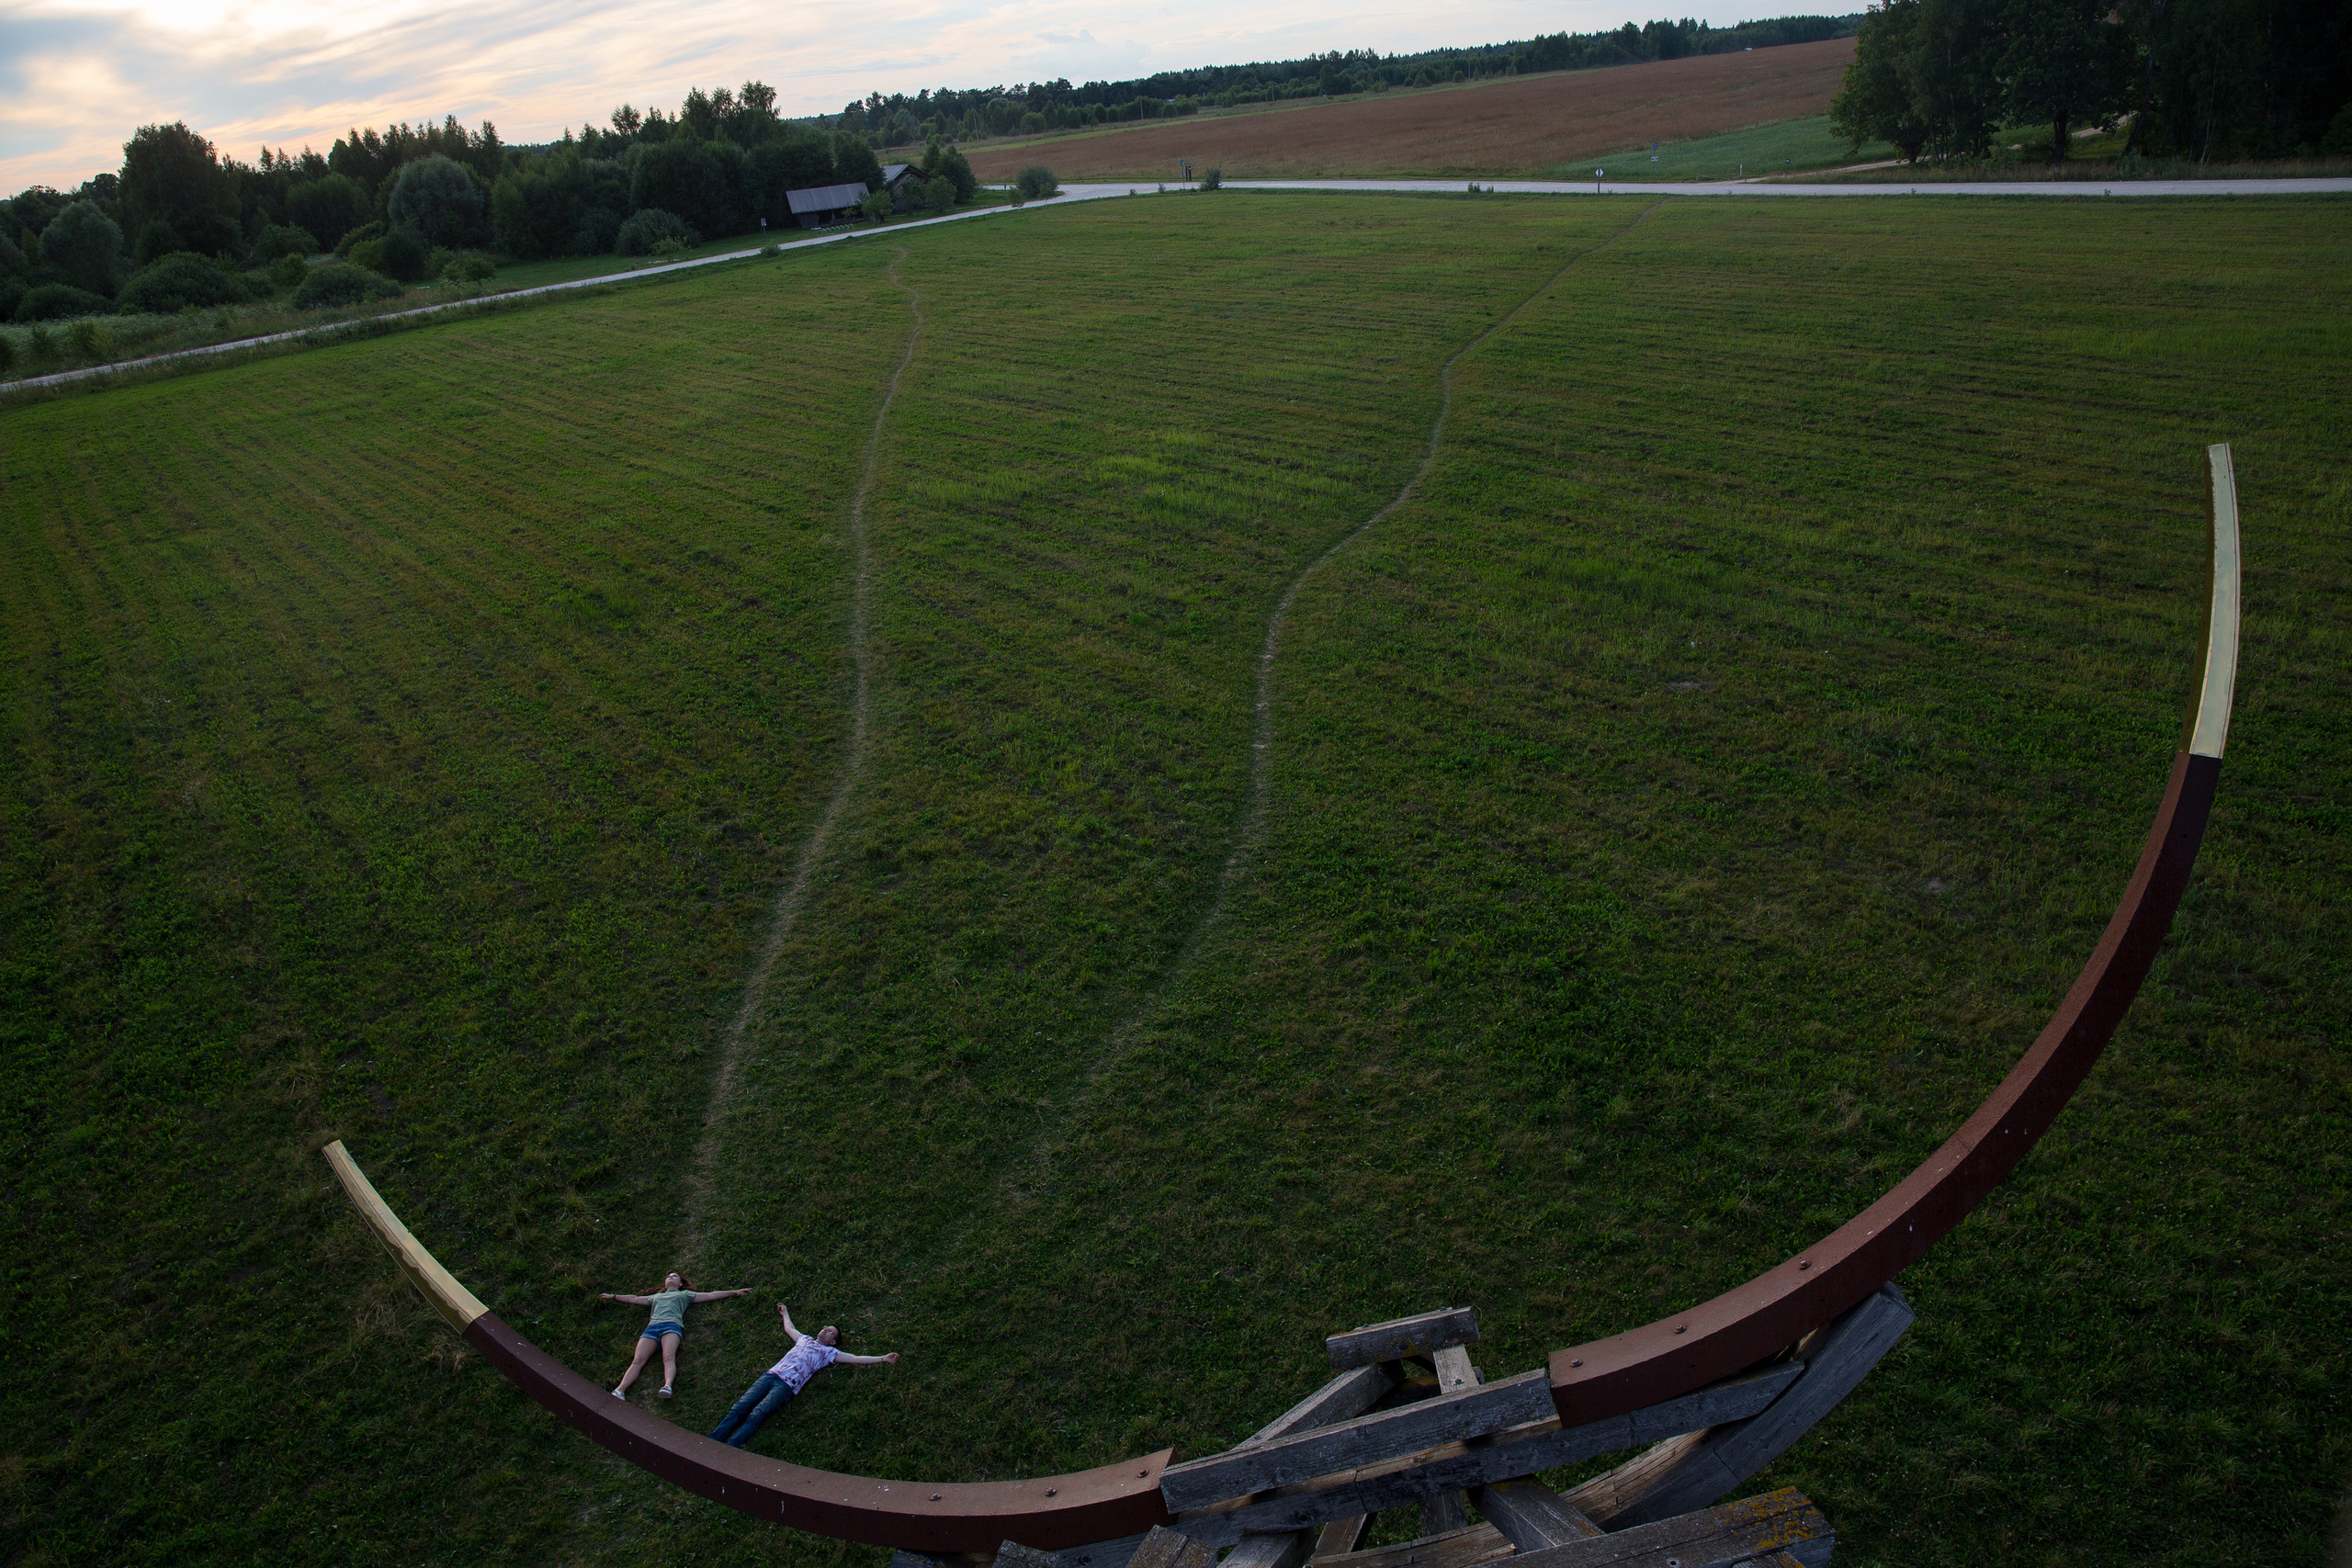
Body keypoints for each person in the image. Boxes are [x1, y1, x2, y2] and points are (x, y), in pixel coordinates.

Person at [708, 1302, 900, 1448]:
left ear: (833, 1341)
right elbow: (789, 1328)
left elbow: (856, 1358)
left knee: (756, 1415)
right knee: (739, 1407)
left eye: (831, 1331)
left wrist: (883, 1358)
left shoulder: (829, 1353)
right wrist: (785, 1313)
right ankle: (711, 1442)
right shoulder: (804, 1339)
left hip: (785, 1386)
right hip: (769, 1375)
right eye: (826, 1327)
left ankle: (730, 1448)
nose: (825, 1329)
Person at [598, 1271, 752, 1400]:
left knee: (668, 1356)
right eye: (668, 1276)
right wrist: (614, 1296)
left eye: (675, 1276)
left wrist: (734, 1292)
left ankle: (667, 1386)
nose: (671, 1276)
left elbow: (711, 1295)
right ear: (665, 1284)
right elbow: (634, 1299)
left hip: (671, 1327)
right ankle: (620, 1390)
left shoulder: (685, 1294)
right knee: (638, 1360)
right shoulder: (656, 1297)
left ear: (680, 1284)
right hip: (651, 1329)